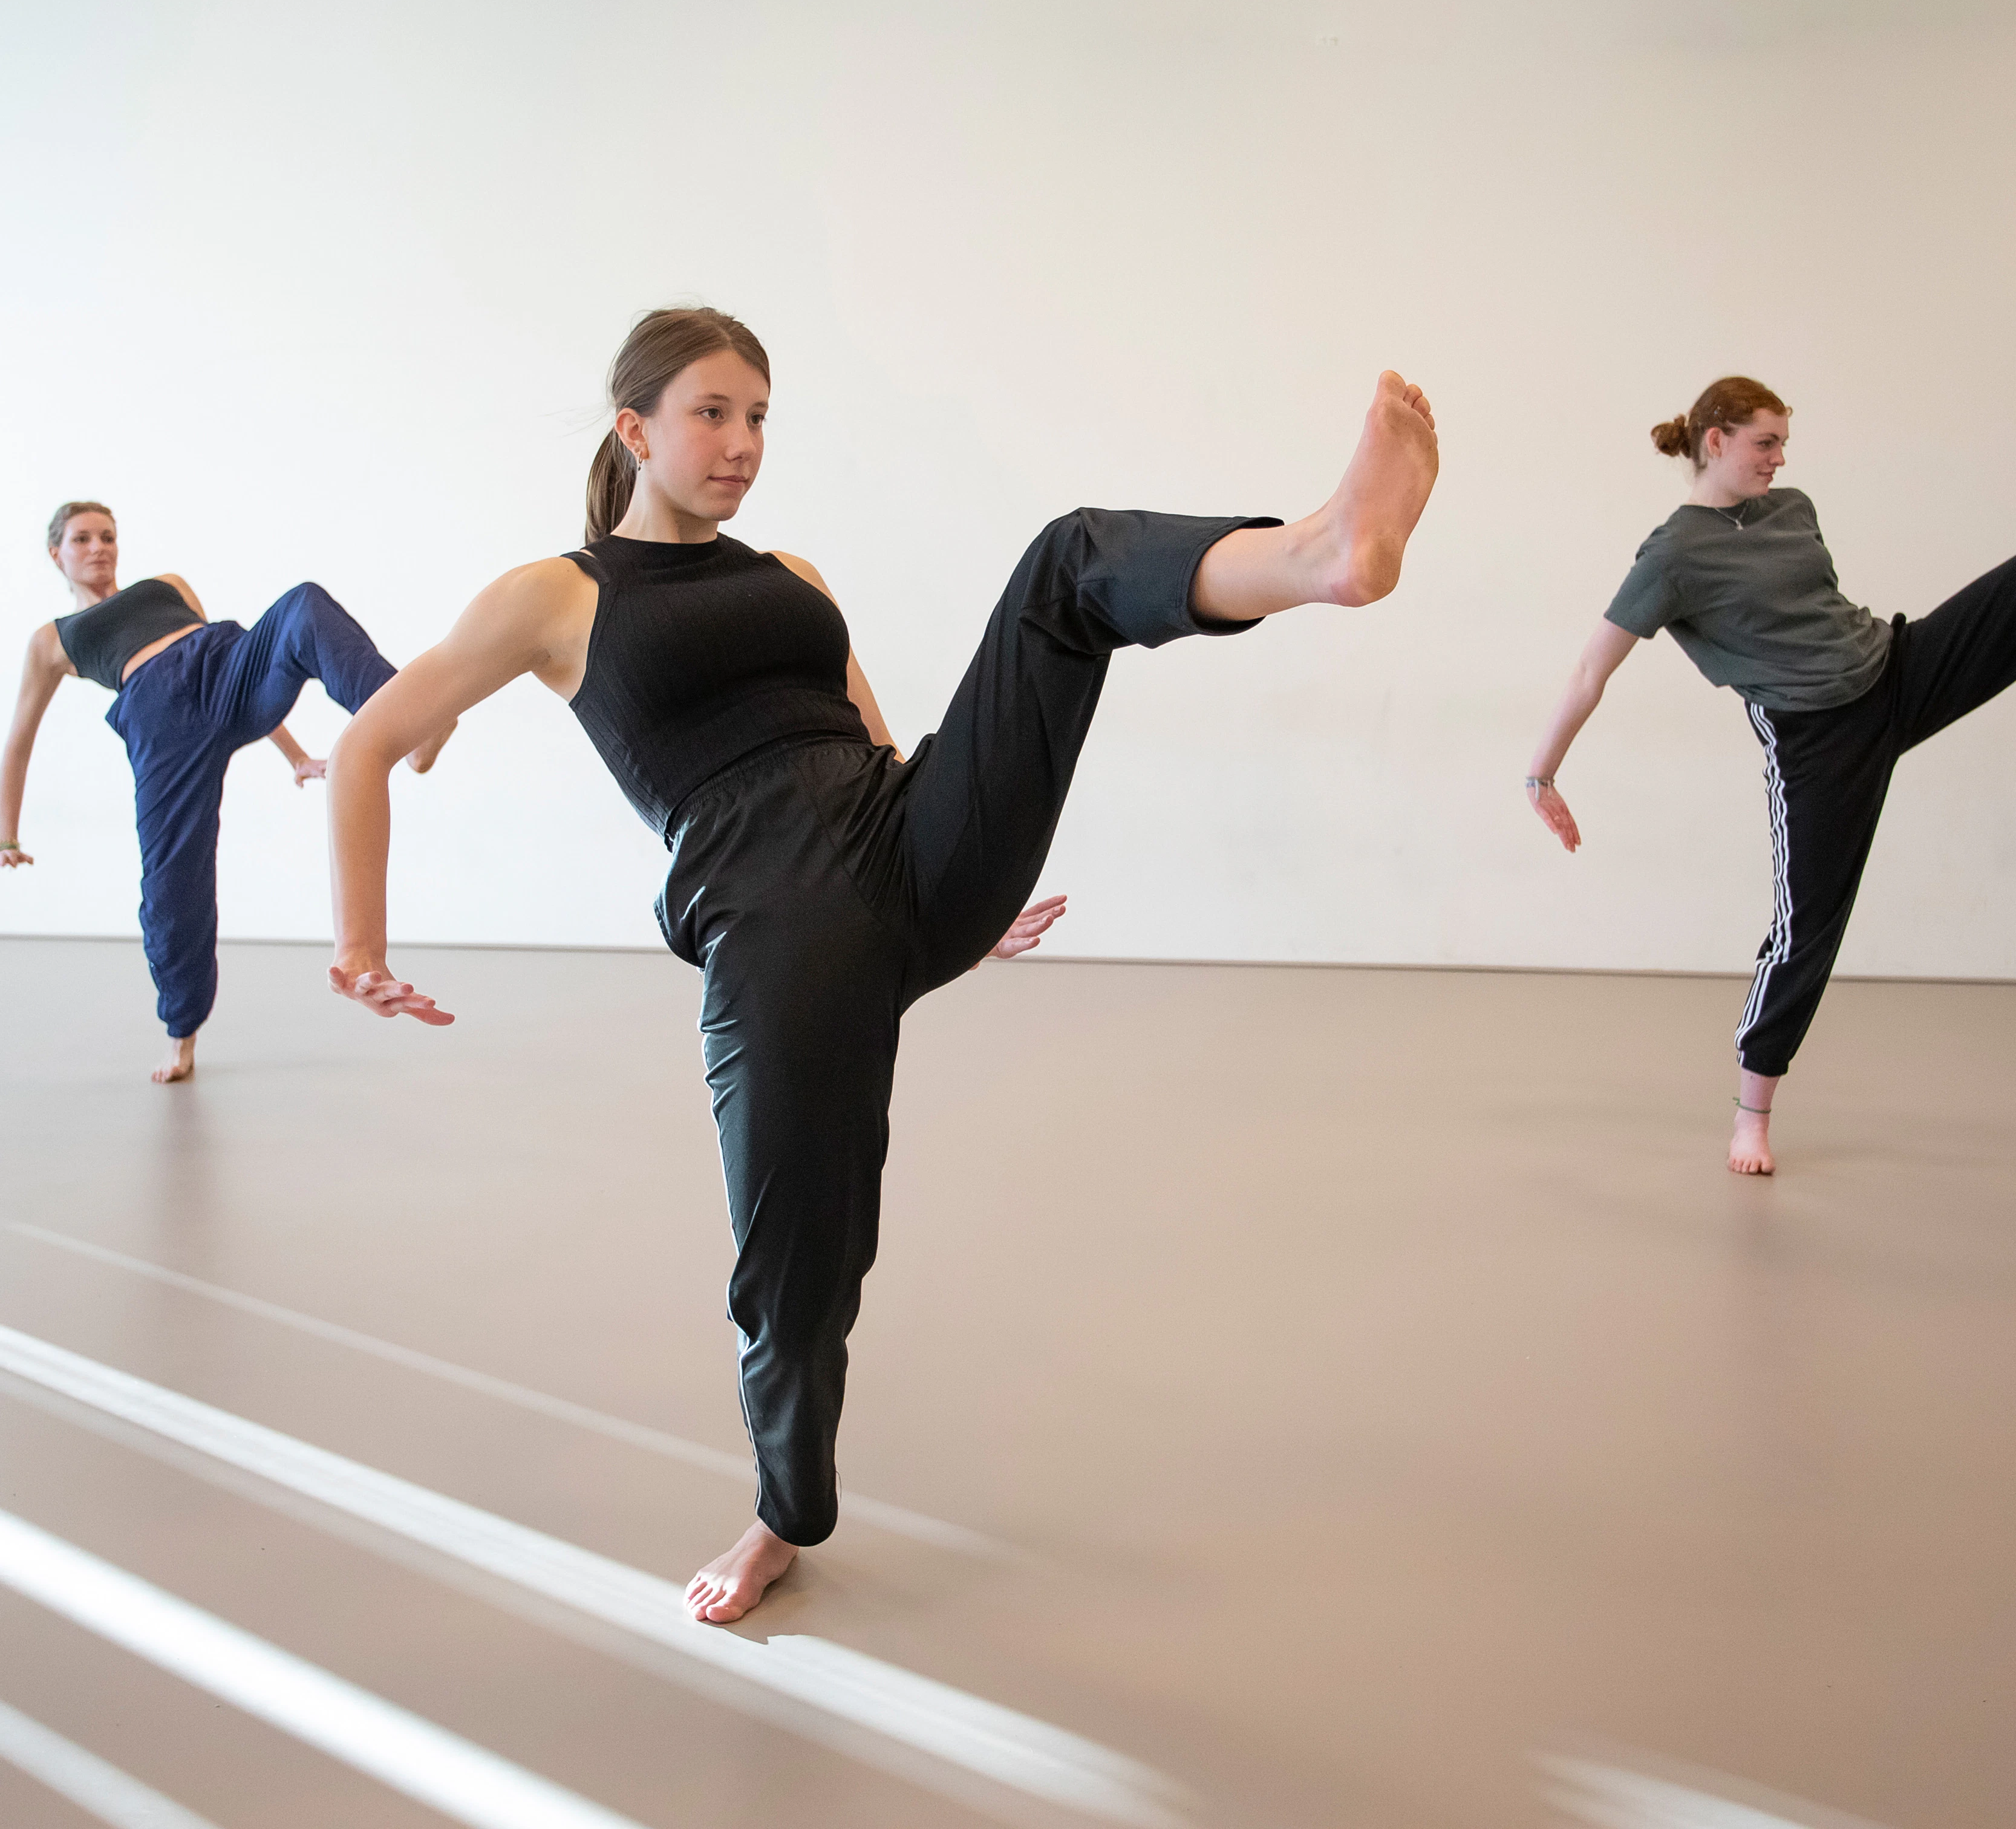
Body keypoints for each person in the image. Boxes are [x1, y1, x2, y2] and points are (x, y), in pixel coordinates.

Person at [325, 305, 1439, 1623]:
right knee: (796, 1274)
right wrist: (359, 944)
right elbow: (368, 743)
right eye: (712, 414)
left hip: (900, 842)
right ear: (635, 429)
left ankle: (1320, 554)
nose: (741, 444)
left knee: (1067, 562)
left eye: (757, 418)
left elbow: (875, 744)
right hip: (775, 916)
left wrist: (976, 878)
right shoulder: (556, 595)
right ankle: (781, 1517)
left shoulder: (790, 572)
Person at [1526, 376, 2016, 1175]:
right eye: (1765, 442)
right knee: (1806, 927)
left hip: (1896, 667)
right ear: (1713, 440)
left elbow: (1817, 612)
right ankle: (1749, 1118)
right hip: (1816, 741)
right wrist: (1540, 775)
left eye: (1783, 442)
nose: (1779, 459)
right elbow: (1590, 670)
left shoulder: (1794, 508)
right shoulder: (1673, 554)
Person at [1, 501, 453, 1083]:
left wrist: (294, 756)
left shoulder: (167, 586)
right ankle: (181, 1033)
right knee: (171, 884)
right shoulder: (50, 641)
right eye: (82, 538)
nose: (99, 547)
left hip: (220, 663)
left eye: (108, 536)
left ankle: (411, 724)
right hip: (160, 721)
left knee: (302, 606)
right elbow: (17, 740)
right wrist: (8, 833)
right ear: (55, 553)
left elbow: (235, 675)